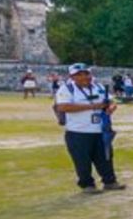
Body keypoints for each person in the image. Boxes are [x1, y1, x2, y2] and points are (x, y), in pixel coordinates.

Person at [54, 63, 125, 195]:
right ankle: (87, 185)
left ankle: (109, 181)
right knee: (82, 160)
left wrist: (111, 107)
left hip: (100, 130)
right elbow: (63, 107)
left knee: (105, 157)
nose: (84, 77)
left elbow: (110, 101)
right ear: (72, 77)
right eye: (79, 75)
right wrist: (92, 106)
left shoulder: (98, 87)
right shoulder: (67, 89)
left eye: (86, 73)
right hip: (78, 131)